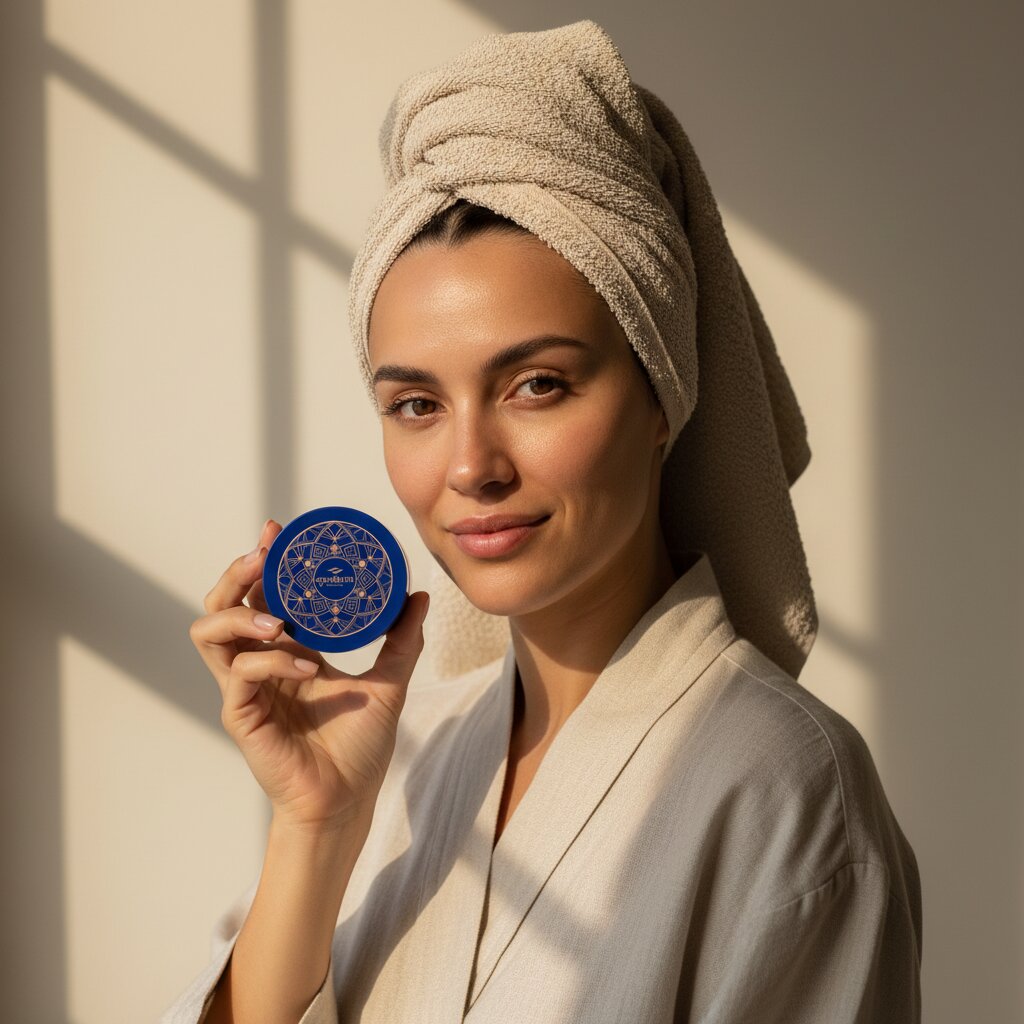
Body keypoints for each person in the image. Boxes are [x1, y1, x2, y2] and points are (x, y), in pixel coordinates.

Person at [161, 21, 922, 1024]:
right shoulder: (399, 750)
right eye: (417, 404)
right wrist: (316, 825)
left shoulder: (784, 789)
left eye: (536, 384)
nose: (471, 466)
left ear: (661, 396)